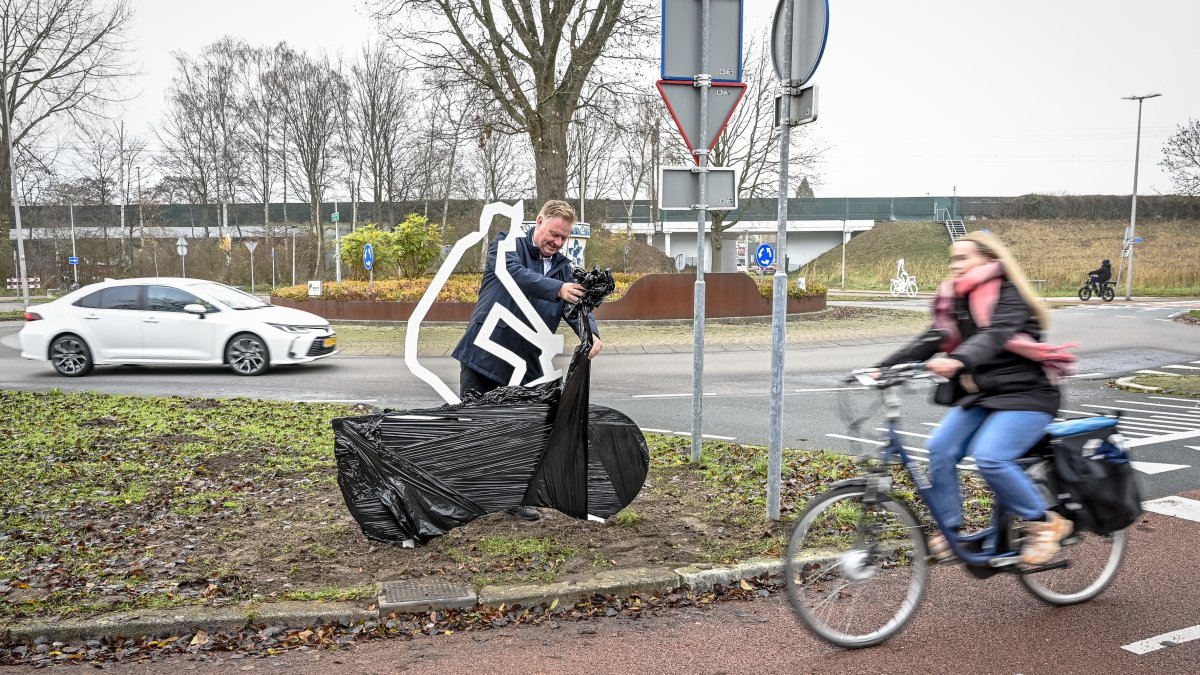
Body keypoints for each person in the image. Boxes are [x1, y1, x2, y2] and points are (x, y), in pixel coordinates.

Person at [875, 231, 1078, 565]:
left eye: (963, 258)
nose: (955, 266)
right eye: (953, 259)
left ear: (987, 258)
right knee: (940, 448)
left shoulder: (1010, 295)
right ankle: (951, 531)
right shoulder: (956, 299)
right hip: (984, 395)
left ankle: (1045, 522)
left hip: (1027, 395)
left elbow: (994, 335)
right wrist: (881, 368)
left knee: (991, 457)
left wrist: (959, 360)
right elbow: (933, 338)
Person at [452, 199, 604, 521]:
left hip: (525, 363)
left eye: (564, 238)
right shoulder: (506, 246)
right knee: (474, 428)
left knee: (519, 431)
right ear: (538, 222)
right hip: (486, 354)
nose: (557, 242)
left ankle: (511, 497)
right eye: (553, 233)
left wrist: (589, 333)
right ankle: (461, 497)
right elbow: (515, 275)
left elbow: (576, 307)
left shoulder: (563, 268)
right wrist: (559, 289)